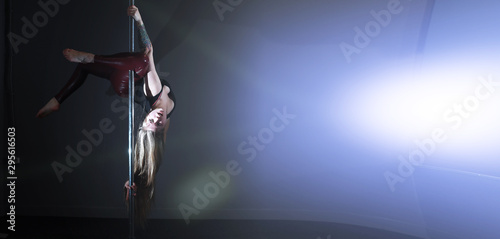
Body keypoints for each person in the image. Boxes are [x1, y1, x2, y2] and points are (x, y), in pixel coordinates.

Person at [36, 5, 174, 226]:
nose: (156, 117)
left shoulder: (154, 93)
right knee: (86, 69)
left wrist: (139, 21)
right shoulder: (165, 126)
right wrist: (138, 183)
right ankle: (57, 101)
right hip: (124, 70)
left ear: (144, 121)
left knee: (144, 61)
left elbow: (149, 51)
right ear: (162, 127)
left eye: (150, 120)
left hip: (124, 82)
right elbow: (153, 164)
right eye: (158, 122)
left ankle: (89, 57)